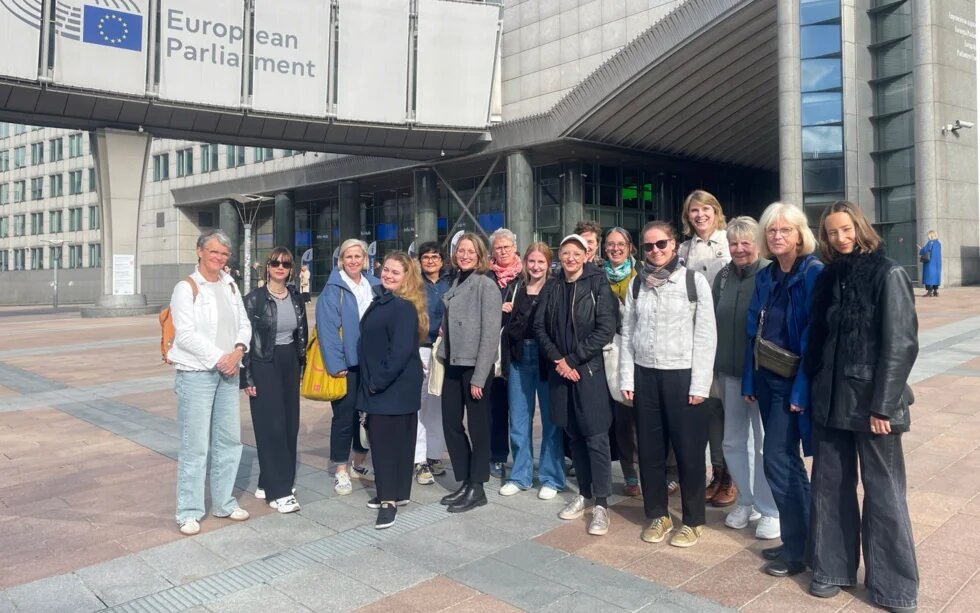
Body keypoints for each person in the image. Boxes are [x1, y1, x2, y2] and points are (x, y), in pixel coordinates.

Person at [805, 201, 919, 611]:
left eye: (846, 229)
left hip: (873, 405)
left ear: (860, 228)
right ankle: (832, 568)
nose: (840, 238)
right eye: (832, 232)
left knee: (884, 493)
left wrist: (883, 406)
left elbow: (901, 344)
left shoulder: (888, 273)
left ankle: (895, 587)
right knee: (830, 488)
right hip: (832, 402)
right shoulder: (830, 278)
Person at [620, 221, 716, 548]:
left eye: (661, 244)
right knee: (649, 451)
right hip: (646, 375)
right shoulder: (637, 285)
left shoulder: (693, 281)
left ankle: (692, 519)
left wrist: (700, 384)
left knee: (689, 451)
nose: (655, 251)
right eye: (648, 246)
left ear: (674, 244)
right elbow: (628, 337)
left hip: (683, 375)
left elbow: (705, 337)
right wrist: (626, 378)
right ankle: (658, 514)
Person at [742, 202, 823, 577]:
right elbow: (752, 333)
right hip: (767, 378)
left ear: (799, 234)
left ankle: (801, 547)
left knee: (778, 458)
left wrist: (800, 392)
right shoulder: (767, 275)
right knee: (782, 459)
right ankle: (799, 539)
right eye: (772, 231)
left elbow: (814, 339)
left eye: (785, 230)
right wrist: (749, 379)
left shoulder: (811, 273)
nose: (777, 236)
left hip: (794, 382)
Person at [167, 230, 252, 536]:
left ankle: (225, 502)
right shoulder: (186, 287)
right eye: (213, 252)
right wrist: (221, 357)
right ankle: (188, 511)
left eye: (224, 254)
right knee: (196, 445)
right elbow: (186, 335)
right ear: (200, 251)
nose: (218, 258)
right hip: (197, 374)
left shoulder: (229, 284)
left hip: (229, 370)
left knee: (229, 440)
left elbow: (244, 323)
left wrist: (239, 349)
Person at [534, 234, 617, 536]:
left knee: (596, 437)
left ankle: (603, 504)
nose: (570, 258)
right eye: (565, 252)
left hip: (588, 372)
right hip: (561, 372)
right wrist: (559, 360)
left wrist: (574, 359)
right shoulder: (553, 285)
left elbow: (606, 328)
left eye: (576, 253)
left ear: (585, 256)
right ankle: (584, 493)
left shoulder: (597, 283)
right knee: (575, 436)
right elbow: (540, 326)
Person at [712, 218, 779, 540]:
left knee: (765, 443)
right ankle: (747, 500)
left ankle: (770, 509)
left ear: (758, 243)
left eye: (745, 243)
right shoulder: (723, 278)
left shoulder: (771, 274)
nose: (739, 249)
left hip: (764, 374)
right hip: (729, 372)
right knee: (733, 441)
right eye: (734, 243)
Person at [358, 252, 428, 529]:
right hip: (392, 385)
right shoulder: (386, 300)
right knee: (396, 441)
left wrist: (376, 382)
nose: (387, 275)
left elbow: (399, 352)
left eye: (395, 273)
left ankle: (388, 502)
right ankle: (397, 493)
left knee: (385, 443)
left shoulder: (400, 306)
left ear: (407, 278)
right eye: (385, 269)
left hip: (390, 386)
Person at [678, 189, 734, 507]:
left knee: (728, 408)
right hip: (695, 338)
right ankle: (718, 471)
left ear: (716, 211)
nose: (700, 215)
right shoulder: (685, 248)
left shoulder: (729, 241)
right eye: (694, 211)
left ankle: (732, 476)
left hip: (724, 335)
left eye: (705, 210)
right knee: (710, 407)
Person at [439, 233, 503, 512]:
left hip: (475, 367)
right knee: (450, 423)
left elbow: (490, 335)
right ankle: (464, 478)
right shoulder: (456, 281)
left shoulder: (485, 285)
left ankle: (477, 487)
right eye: (460, 251)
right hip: (453, 363)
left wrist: (479, 376)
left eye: (470, 251)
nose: (464, 255)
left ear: (480, 255)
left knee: (478, 428)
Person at [241, 247, 308, 514]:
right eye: (275, 263)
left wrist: (301, 367)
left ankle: (272, 480)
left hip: (289, 361)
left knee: (290, 424)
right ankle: (277, 492)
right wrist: (246, 377)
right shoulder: (254, 299)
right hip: (263, 363)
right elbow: (244, 340)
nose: (280, 267)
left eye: (286, 263)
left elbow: (301, 333)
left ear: (291, 268)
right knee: (272, 426)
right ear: (267, 267)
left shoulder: (295, 298)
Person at [499, 242, 565, 500]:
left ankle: (551, 477)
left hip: (546, 357)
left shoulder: (556, 287)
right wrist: (505, 312)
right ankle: (520, 475)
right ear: (525, 262)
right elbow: (505, 324)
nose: (536, 266)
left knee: (550, 420)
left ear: (549, 264)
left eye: (541, 262)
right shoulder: (515, 287)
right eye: (532, 261)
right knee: (519, 419)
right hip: (518, 356)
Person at [316, 239, 380, 495]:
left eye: (358, 256)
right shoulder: (333, 289)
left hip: (371, 363)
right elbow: (327, 329)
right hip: (346, 365)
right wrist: (335, 363)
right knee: (344, 417)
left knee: (366, 417)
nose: (354, 261)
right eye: (348, 257)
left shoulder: (375, 284)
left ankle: (359, 463)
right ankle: (341, 469)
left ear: (365, 259)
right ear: (341, 260)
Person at [602, 227, 641, 498]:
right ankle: (629, 473)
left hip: (638, 352)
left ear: (630, 248)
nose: (615, 249)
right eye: (610, 244)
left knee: (642, 416)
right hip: (606, 351)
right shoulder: (596, 275)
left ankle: (659, 469)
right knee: (622, 419)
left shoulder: (642, 275)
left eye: (620, 244)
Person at [487, 228, 523, 479]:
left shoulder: (526, 274)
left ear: (515, 249)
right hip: (494, 352)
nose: (502, 251)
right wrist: (498, 309)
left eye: (506, 247)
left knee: (520, 409)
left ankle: (522, 460)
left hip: (519, 349)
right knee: (496, 406)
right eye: (498, 248)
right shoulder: (485, 276)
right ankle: (498, 455)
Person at [415, 242, 450, 484]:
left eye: (434, 257)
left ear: (442, 260)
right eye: (426, 257)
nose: (430, 261)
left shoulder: (451, 283)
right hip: (420, 349)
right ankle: (418, 460)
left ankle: (434, 454)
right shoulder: (415, 285)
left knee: (437, 407)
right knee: (418, 406)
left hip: (442, 351)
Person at [918, 230, 942, 297]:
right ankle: (935, 291)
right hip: (937, 263)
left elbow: (925, 250)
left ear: (930, 235)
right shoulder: (938, 243)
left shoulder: (930, 242)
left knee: (929, 277)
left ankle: (929, 292)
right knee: (935, 277)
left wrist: (921, 249)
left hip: (930, 263)